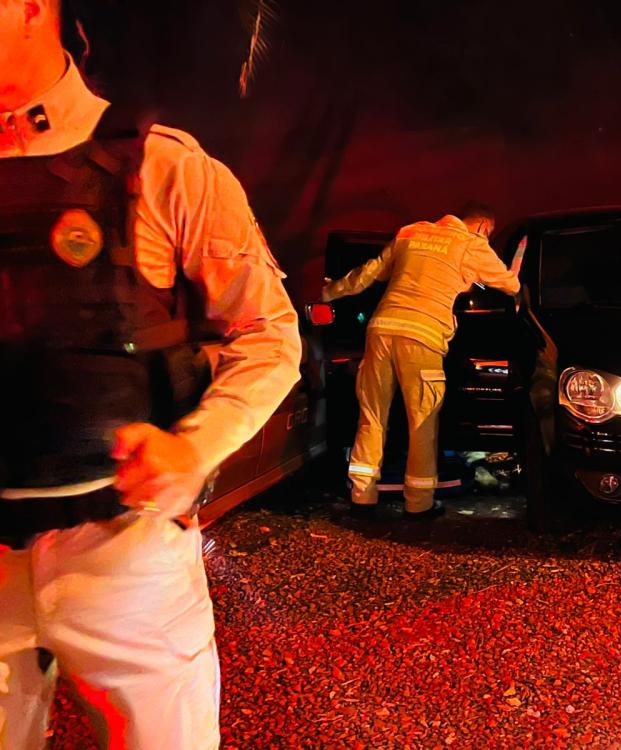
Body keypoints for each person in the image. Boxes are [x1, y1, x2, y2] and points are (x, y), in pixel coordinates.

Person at [0, 2, 301, 748]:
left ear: (31, 9)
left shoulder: (163, 167)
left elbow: (269, 333)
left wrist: (193, 448)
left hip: (123, 553)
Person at [323, 203, 522, 518]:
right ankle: (419, 504)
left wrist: (329, 293)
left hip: (381, 330)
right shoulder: (470, 243)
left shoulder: (410, 232)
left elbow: (370, 273)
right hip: (422, 336)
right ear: (484, 226)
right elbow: (511, 285)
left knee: (371, 417)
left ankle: (362, 498)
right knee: (422, 422)